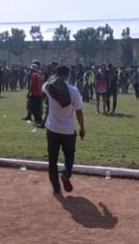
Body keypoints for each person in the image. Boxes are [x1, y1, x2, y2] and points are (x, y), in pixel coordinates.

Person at [43, 65, 85, 194]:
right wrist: (82, 127)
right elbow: (79, 111)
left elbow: (48, 83)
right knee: (69, 155)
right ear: (68, 75)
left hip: (52, 128)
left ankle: (56, 187)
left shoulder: (47, 87)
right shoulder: (74, 90)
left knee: (52, 159)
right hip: (68, 130)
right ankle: (66, 173)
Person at [27, 61, 44, 126]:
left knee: (33, 107)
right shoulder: (40, 75)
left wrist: (29, 93)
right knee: (38, 107)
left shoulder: (33, 75)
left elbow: (32, 85)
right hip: (39, 93)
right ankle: (38, 119)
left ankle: (37, 119)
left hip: (35, 93)